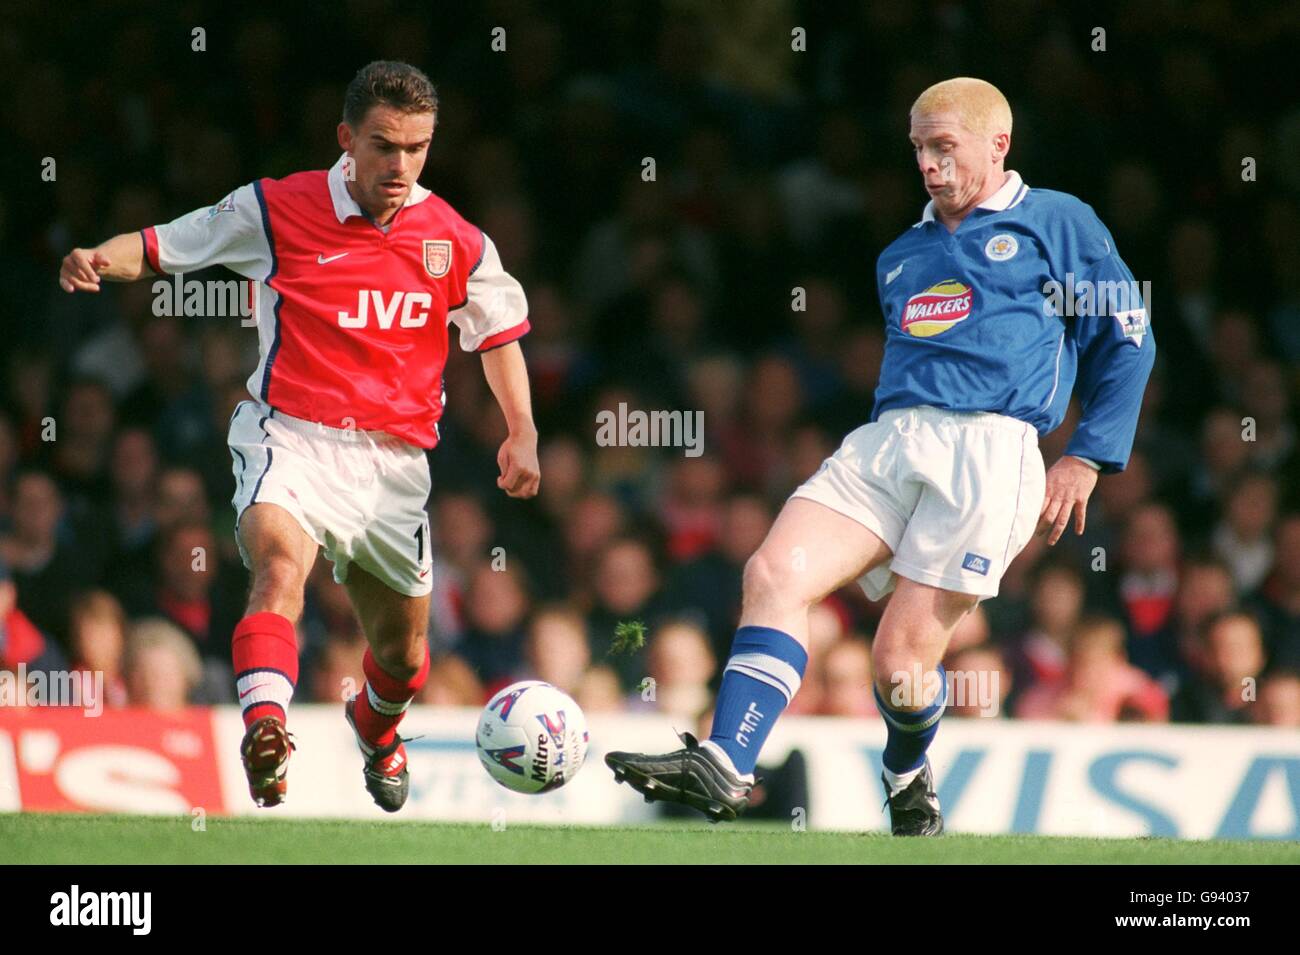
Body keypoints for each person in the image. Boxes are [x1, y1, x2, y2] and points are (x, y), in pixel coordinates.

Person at [605, 77, 1155, 835]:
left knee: (898, 666)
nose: (928, 165)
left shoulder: (1057, 222)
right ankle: (727, 763)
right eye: (918, 149)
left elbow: (1128, 332)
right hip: (890, 438)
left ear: (999, 144)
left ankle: (905, 770)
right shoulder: (903, 253)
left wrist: (1088, 455)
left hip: (991, 452)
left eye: (944, 147)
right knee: (772, 573)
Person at [57, 61, 539, 812]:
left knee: (404, 658)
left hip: (393, 465)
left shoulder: (455, 239)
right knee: (281, 570)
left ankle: (377, 733)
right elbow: (161, 245)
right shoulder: (277, 208)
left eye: (417, 148)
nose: (400, 165)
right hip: (290, 436)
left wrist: (523, 432)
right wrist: (98, 258)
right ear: (346, 138)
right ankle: (267, 727)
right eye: (384, 145)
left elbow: (498, 334)